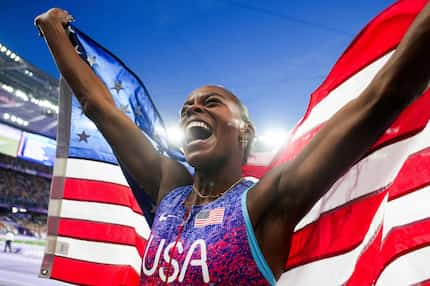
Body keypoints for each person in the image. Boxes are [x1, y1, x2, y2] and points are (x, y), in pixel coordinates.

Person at [35, 3, 430, 285]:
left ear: (244, 132)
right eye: (187, 107)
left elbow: (383, 96)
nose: (193, 111)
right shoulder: (169, 186)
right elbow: (101, 108)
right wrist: (53, 30)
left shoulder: (265, 203)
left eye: (211, 103)